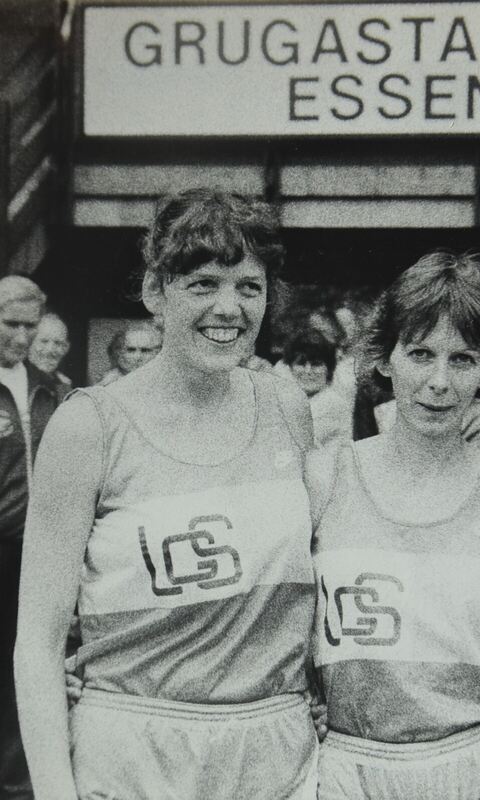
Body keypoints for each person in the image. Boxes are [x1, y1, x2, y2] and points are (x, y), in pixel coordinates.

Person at [15, 189, 319, 800]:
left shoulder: (286, 405)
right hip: (135, 752)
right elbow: (39, 642)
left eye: (249, 287)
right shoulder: (89, 424)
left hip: (274, 754)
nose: (229, 308)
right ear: (155, 291)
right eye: (203, 284)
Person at [305, 251, 480, 800]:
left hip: (479, 767)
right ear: (386, 359)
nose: (438, 382)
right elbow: (265, 624)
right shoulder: (325, 476)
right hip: (350, 768)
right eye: (420, 354)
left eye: (463, 359)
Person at [0, 276, 62, 800]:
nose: (20, 336)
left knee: (29, 661)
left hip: (40, 551)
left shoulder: (52, 387)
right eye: (9, 324)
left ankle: (20, 782)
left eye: (28, 325)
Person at [284, 327, 352, 450]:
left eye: (316, 364)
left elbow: (294, 442)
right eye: (301, 364)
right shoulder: (294, 399)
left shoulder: (332, 403)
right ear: (290, 367)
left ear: (329, 369)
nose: (308, 371)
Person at [97, 318, 162, 385]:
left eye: (145, 350)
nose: (137, 357)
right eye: (131, 350)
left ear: (158, 353)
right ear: (118, 352)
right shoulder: (107, 384)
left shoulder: (162, 379)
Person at [28, 312, 72, 390]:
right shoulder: (15, 380)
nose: (50, 349)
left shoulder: (64, 386)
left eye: (58, 343)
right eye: (44, 341)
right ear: (29, 343)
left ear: (65, 348)